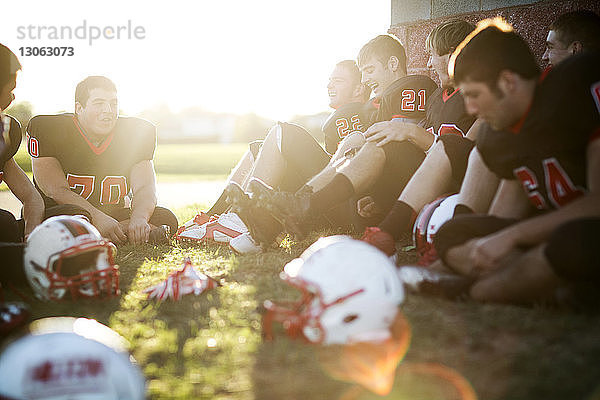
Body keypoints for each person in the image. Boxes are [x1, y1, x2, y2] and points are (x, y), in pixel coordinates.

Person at [417, 17, 600, 306]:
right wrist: (486, 244)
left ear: (507, 82)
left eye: (475, 95)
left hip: (582, 233)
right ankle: (551, 287)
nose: (471, 108)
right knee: (453, 233)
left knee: (576, 240)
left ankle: (475, 290)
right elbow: (506, 217)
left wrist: (513, 237)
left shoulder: (575, 94)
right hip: (547, 241)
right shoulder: (502, 132)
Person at [240, 34, 438, 246]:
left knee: (289, 134)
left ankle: (255, 221)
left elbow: (404, 153)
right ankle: (265, 218)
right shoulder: (376, 104)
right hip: (362, 196)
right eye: (362, 73)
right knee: (277, 139)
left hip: (372, 204)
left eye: (369, 70)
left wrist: (384, 197)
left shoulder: (411, 87)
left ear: (393, 63)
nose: (364, 80)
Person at [176, 60, 373, 250]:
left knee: (286, 133)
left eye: (338, 80)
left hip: (345, 210)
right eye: (330, 79)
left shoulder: (356, 113)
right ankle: (219, 216)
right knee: (259, 148)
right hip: (331, 207)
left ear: (358, 89)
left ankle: (242, 221)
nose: (329, 84)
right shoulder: (347, 115)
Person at [360, 19, 479, 255]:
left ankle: (384, 233)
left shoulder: (482, 96)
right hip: (433, 188)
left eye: (432, 55)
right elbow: (422, 157)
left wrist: (410, 131)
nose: (428, 63)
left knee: (448, 145)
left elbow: (467, 153)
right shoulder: (436, 98)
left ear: (455, 55)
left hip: (467, 189)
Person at [28, 76, 178, 245]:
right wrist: (97, 219)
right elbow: (56, 190)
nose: (108, 110)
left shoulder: (136, 133)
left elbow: (145, 187)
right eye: (99, 103)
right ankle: (124, 233)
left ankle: (103, 234)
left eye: (113, 103)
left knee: (165, 217)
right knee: (73, 218)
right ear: (79, 108)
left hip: (113, 214)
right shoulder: (50, 129)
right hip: (66, 213)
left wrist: (139, 218)